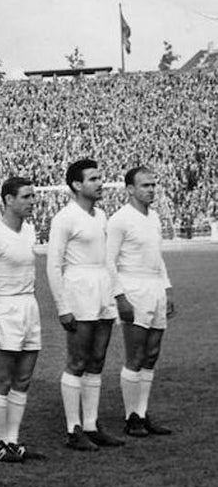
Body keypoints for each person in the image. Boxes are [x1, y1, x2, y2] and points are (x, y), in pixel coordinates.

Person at [46, 159, 126, 451]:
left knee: (97, 361)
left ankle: (91, 425)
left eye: (100, 177)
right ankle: (73, 429)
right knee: (77, 361)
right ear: (77, 185)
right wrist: (62, 306)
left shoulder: (101, 215)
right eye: (93, 178)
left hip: (102, 289)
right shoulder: (64, 218)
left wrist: (117, 293)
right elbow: (53, 265)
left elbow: (108, 259)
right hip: (78, 291)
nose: (99, 183)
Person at [0, 177, 46, 463]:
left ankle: (13, 440)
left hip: (29, 308)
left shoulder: (29, 231)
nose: (31, 202)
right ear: (8, 200)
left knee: (23, 379)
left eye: (32, 196)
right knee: (2, 380)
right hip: (3, 311)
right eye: (26, 197)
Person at [107, 166, 175, 437]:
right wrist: (120, 296)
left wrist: (167, 289)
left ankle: (143, 413)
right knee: (135, 355)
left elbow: (157, 258)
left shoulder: (155, 217)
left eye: (153, 185)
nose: (151, 190)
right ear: (130, 189)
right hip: (132, 287)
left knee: (151, 355)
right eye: (145, 185)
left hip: (155, 287)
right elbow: (108, 261)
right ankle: (131, 416)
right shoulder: (119, 220)